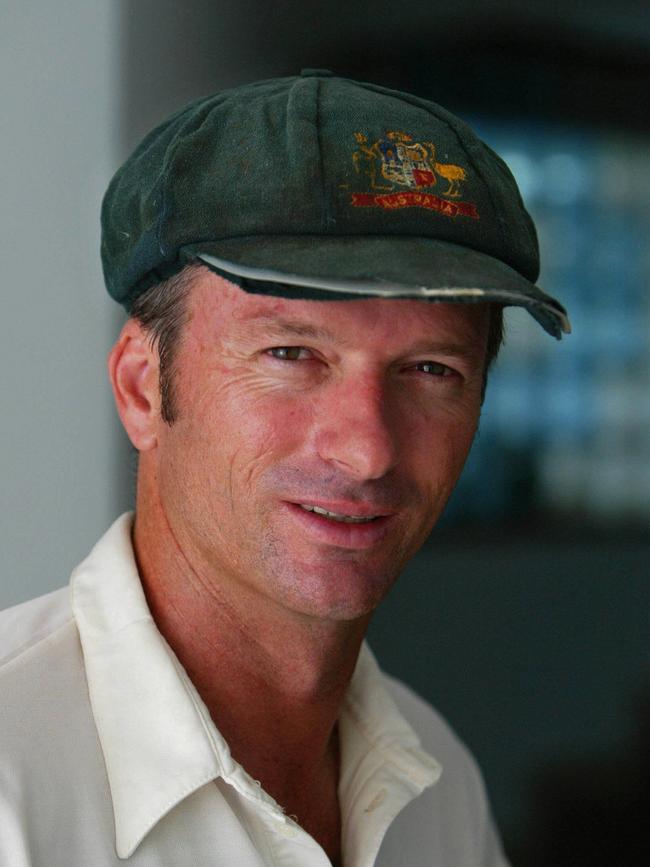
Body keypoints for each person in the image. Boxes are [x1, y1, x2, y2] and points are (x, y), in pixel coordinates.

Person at [0, 71, 570, 866]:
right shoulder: (12, 783)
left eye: (431, 369)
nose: (367, 449)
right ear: (140, 386)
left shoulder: (437, 790)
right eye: (291, 354)